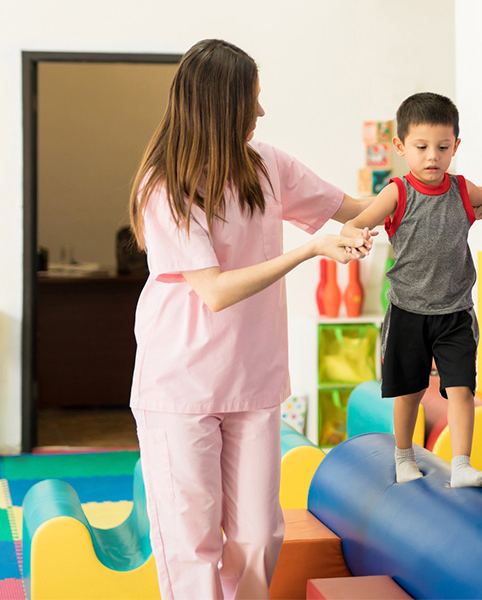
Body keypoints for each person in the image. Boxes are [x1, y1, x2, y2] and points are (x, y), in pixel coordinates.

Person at [125, 39, 376, 600]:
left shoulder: (267, 165)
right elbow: (213, 290)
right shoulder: (164, 185)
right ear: (221, 106)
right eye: (252, 102)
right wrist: (309, 252)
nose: (261, 113)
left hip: (252, 380)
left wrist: (436, 193)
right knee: (193, 546)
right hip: (180, 386)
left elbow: (355, 210)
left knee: (260, 537)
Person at [341, 92, 482, 488]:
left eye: (442, 147)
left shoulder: (460, 189)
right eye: (421, 148)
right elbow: (363, 218)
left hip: (454, 312)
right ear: (401, 147)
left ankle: (461, 465)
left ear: (456, 145)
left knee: (461, 388)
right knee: (411, 391)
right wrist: (351, 233)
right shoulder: (398, 192)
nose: (432, 157)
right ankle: (403, 456)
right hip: (408, 310)